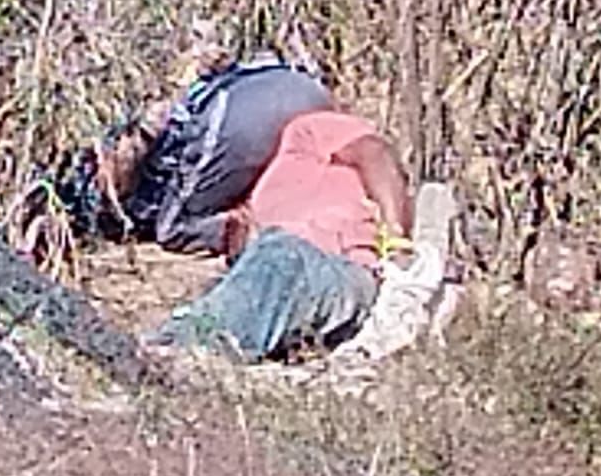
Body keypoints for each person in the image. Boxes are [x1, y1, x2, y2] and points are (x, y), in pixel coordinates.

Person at [146, 109, 413, 361]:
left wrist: (396, 238)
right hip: (291, 286)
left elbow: (375, 153)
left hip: (339, 268)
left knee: (281, 253)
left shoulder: (303, 132)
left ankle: (184, 350)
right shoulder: (254, 194)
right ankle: (170, 346)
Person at [77, 54, 332, 252]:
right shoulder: (158, 83)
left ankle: (256, 232)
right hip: (304, 90)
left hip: (233, 119)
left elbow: (150, 141)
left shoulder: (141, 137)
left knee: (172, 229)